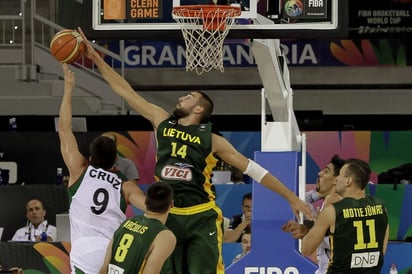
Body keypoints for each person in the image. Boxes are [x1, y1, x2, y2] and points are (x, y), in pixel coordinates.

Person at [78, 27, 313, 274]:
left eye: (188, 97)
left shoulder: (212, 140)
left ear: (199, 109)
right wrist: (95, 58)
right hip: (169, 216)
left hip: (201, 215)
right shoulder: (161, 121)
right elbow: (125, 91)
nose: (181, 98)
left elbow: (255, 171)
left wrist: (291, 197)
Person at [58, 63, 146, 274]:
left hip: (84, 253)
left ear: (89, 158)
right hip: (113, 251)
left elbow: (64, 128)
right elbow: (151, 208)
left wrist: (68, 89)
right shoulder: (126, 186)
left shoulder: (79, 170)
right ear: (116, 160)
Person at [301, 158, 389, 273]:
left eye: (340, 175)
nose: (336, 179)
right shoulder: (381, 207)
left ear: (348, 181)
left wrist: (317, 224)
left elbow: (305, 249)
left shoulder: (332, 211)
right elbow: (382, 251)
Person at [282, 154, 345, 274]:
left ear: (336, 180)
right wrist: (308, 232)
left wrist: (312, 232)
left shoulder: (338, 204)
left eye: (326, 171)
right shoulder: (327, 202)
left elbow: (343, 244)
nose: (320, 173)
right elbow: (299, 201)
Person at [99, 181, 176, 274]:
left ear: (146, 202)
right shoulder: (165, 236)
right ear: (171, 204)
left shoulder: (127, 223)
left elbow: (104, 268)